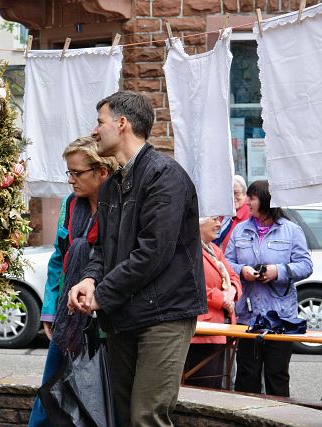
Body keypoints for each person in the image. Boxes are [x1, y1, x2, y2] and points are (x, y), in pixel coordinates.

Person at [67, 91, 207, 427]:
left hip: (164, 314)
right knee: (123, 415)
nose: (95, 130)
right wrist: (89, 279)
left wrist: (102, 294)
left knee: (147, 416)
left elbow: (152, 253)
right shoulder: (112, 185)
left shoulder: (165, 176)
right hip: (123, 314)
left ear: (122, 123)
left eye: (100, 122)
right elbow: (103, 249)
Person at [29, 136, 114, 426]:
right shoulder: (71, 205)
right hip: (68, 316)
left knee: (99, 399)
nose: (70, 180)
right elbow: (58, 259)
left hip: (104, 321)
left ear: (101, 172)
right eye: (69, 172)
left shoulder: (118, 209)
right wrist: (50, 309)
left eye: (77, 173)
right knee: (50, 392)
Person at [225, 179, 312, 397]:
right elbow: (226, 264)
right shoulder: (240, 230)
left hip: (281, 319)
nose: (247, 202)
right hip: (248, 317)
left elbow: (306, 265)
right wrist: (242, 270)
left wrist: (278, 271)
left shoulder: (291, 231)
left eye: (252, 198)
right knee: (247, 376)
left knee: (277, 376)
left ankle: (278, 414)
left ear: (266, 201)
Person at [183, 216, 242, 389]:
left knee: (215, 385)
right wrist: (221, 299)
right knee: (203, 387)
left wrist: (232, 292)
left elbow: (233, 276)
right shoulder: (188, 249)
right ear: (199, 222)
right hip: (202, 331)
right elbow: (191, 285)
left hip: (221, 327)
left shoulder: (214, 249)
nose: (219, 224)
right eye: (215, 219)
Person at [213, 175, 250, 250]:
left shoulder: (250, 214)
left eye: (236, 193)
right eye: (229, 193)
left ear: (244, 193)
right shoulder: (222, 211)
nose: (232, 197)